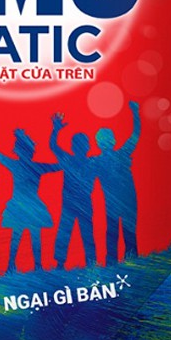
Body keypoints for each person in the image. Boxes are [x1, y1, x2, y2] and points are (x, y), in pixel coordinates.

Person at [0, 129, 59, 272]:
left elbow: (0, 157)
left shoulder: (21, 165)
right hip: (31, 207)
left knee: (19, 240)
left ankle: (14, 267)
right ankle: (31, 267)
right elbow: (56, 165)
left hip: (23, 207)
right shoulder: (36, 166)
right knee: (31, 239)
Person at [94, 100, 142, 264]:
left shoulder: (101, 160)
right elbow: (135, 135)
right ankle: (122, 261)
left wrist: (135, 113)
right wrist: (135, 112)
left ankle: (119, 261)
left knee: (119, 233)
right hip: (118, 204)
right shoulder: (119, 154)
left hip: (119, 204)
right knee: (121, 233)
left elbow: (135, 135)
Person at [48, 112, 98, 268]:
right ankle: (86, 262)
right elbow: (55, 148)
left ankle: (64, 262)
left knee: (74, 232)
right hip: (75, 202)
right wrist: (56, 127)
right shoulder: (88, 161)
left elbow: (55, 148)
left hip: (74, 202)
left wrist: (56, 127)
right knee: (78, 232)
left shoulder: (72, 160)